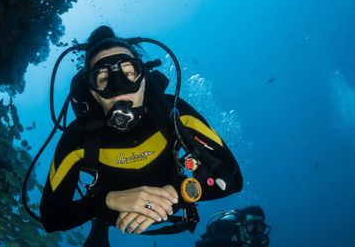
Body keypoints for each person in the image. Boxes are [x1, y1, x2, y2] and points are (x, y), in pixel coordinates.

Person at [39, 26, 244, 246]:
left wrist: (178, 194)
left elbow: (232, 178)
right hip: (110, 210)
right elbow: (52, 217)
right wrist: (106, 201)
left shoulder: (174, 114)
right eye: (102, 79)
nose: (118, 87)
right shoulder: (78, 138)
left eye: (129, 73)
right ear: (93, 93)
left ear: (144, 79)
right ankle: (101, 222)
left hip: (173, 196)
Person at [195, 205, 270, 247]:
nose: (255, 230)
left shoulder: (262, 241)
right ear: (242, 226)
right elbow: (199, 244)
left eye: (259, 226)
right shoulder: (228, 237)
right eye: (250, 226)